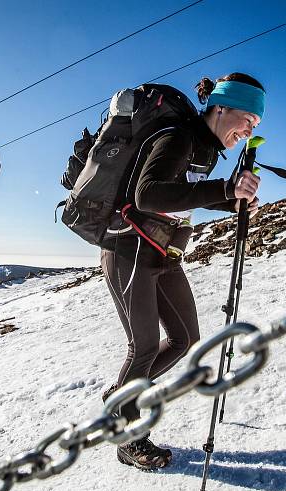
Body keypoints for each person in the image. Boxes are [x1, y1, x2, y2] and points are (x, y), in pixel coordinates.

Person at [100, 72, 265, 470]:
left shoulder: (205, 148)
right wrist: (224, 190)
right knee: (142, 347)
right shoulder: (179, 136)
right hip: (129, 250)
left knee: (185, 337)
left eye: (256, 126)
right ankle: (128, 436)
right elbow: (148, 194)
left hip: (163, 253)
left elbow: (183, 195)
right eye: (247, 119)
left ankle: (121, 395)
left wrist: (233, 203)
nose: (248, 130)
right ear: (221, 107)